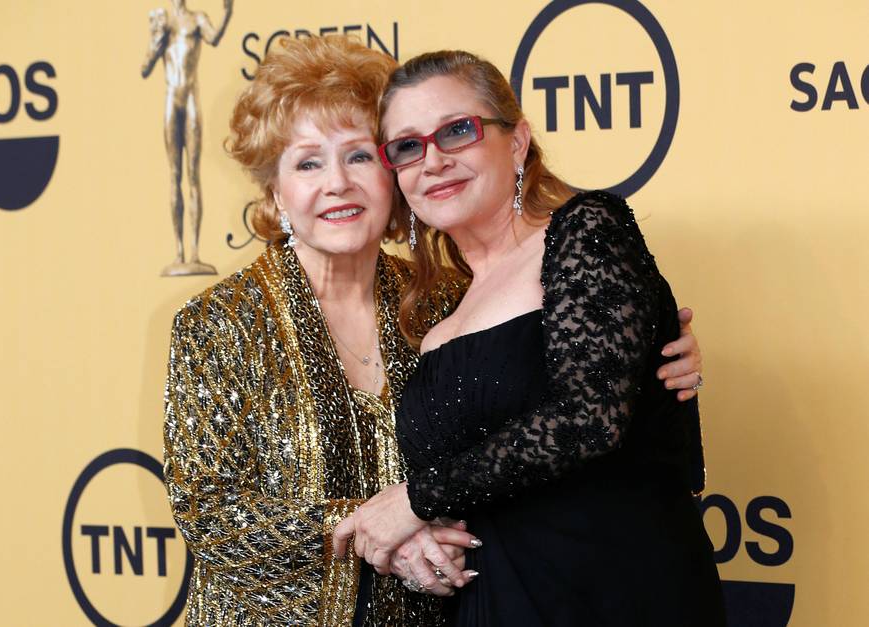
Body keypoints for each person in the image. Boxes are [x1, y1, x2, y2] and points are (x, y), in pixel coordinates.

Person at [163, 36, 705, 626]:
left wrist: (653, 358)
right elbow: (207, 508)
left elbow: (565, 401)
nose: (337, 183)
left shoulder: (441, 300)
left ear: (391, 177)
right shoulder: (220, 321)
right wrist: (373, 530)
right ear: (276, 191)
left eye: (360, 156)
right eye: (308, 163)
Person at [333, 49, 725, 626]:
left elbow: (590, 419)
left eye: (457, 131)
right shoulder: (439, 313)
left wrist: (415, 501)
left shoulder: (585, 231)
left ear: (516, 142)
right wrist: (423, 539)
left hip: (615, 594)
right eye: (408, 146)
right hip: (494, 604)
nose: (433, 160)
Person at [141, 0, 233, 276]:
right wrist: (156, 42)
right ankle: (179, 252)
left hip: (191, 97)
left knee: (193, 175)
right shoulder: (162, 23)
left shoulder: (197, 19)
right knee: (174, 175)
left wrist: (227, 12)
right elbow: (145, 68)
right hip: (172, 100)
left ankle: (194, 252)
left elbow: (214, 38)